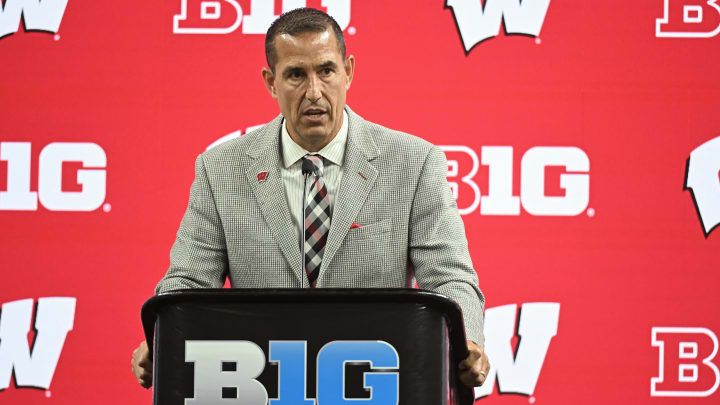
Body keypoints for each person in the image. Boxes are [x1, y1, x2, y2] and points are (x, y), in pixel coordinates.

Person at [132, 7, 489, 390]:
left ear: (348, 71)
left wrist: (466, 341)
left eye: (326, 71)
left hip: (375, 384)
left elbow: (450, 276)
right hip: (263, 385)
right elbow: (188, 280)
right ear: (271, 81)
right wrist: (160, 336)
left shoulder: (414, 162)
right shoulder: (220, 170)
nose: (313, 92)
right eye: (296, 75)